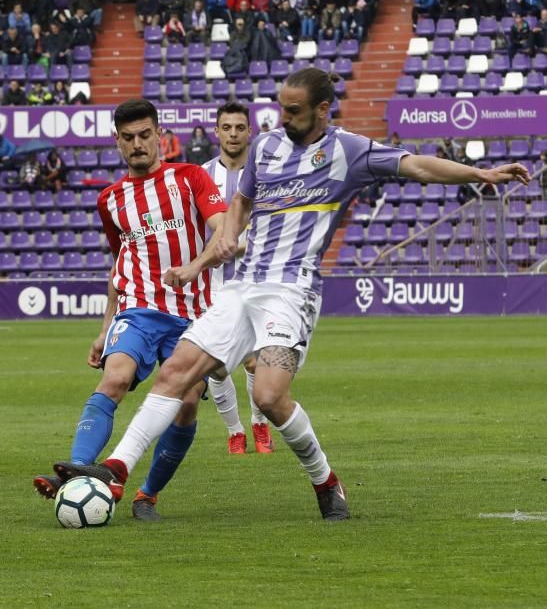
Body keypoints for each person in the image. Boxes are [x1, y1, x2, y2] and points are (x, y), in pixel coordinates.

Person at [48, 69, 530, 522]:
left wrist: (479, 174)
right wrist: (217, 247)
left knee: (269, 395)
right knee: (177, 374)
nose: (285, 118)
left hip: (292, 290)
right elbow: (241, 199)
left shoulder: (350, 151)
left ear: (323, 110)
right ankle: (115, 472)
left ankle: (325, 480)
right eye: (281, 108)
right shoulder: (268, 146)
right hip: (241, 286)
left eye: (294, 111)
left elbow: (417, 166)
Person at [33, 99, 228, 523]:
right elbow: (121, 261)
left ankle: (146, 495)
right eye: (128, 138)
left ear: (160, 136)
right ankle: (76, 475)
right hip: (138, 308)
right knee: (115, 377)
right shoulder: (111, 199)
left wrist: (196, 266)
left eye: (144, 135)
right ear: (117, 142)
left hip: (193, 315)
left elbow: (224, 232)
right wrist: (105, 327)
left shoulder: (190, 177)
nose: (137, 144)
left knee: (188, 403)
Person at [202, 101, 274, 455]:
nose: (232, 133)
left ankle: (260, 425)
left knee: (253, 360)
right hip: (212, 284)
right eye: (226, 127)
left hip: (254, 282)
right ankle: (234, 430)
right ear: (216, 132)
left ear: (250, 132)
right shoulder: (200, 176)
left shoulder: (264, 176)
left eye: (238, 127)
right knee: (215, 366)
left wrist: (240, 246)